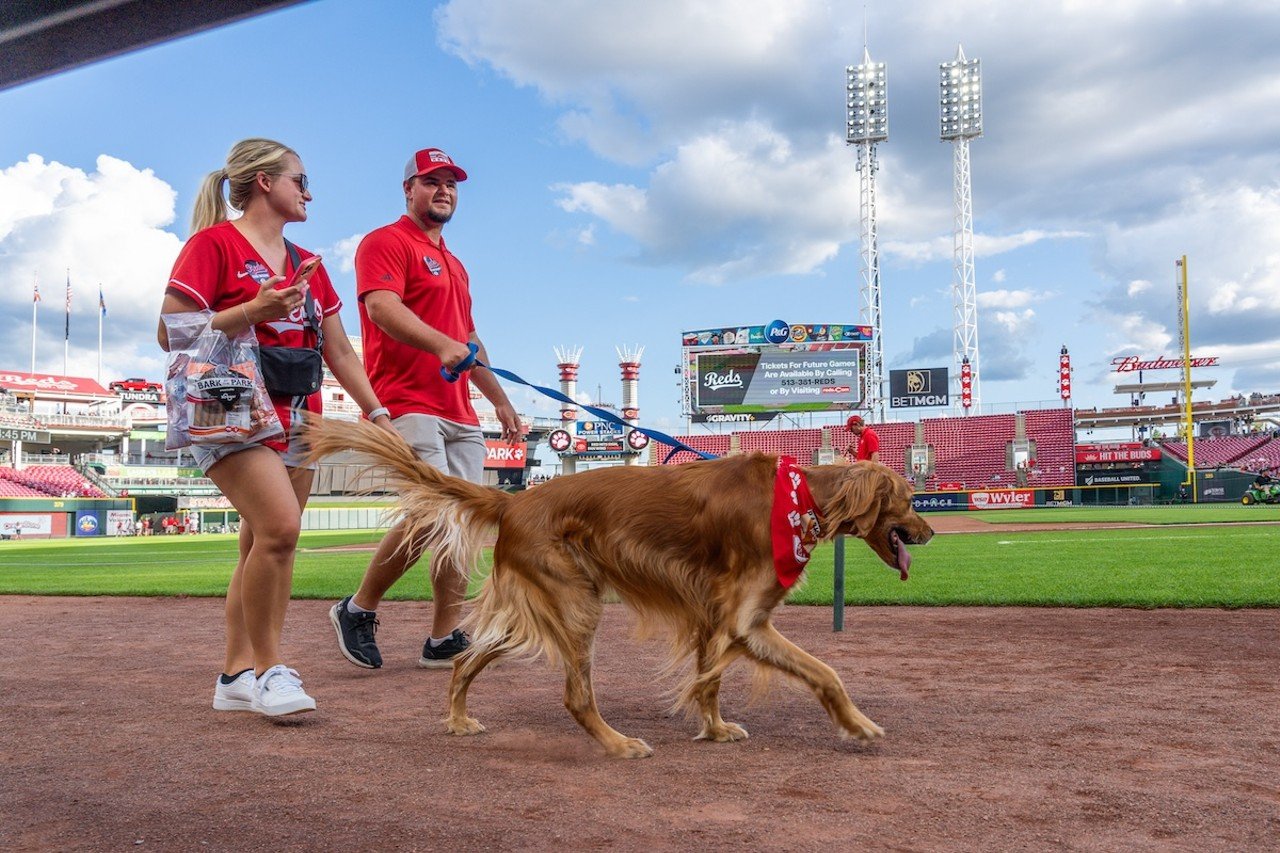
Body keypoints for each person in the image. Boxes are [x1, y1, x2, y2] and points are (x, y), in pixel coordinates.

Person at [157, 138, 395, 716]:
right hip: (228, 403)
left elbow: (339, 350)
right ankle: (269, 671)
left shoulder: (308, 261)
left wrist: (377, 411)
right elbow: (170, 331)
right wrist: (252, 311)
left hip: (298, 408)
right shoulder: (213, 244)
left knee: (262, 544)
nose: (309, 191)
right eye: (300, 180)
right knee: (282, 531)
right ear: (265, 182)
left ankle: (235, 675)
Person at [330, 147, 524, 671]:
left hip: (460, 412)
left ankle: (443, 638)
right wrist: (442, 346)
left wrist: (500, 399)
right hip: (407, 400)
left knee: (460, 523)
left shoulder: (456, 265)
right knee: (431, 514)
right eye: (431, 181)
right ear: (408, 189)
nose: (443, 190)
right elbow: (381, 308)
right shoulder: (385, 241)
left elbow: (469, 338)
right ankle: (358, 608)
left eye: (451, 184)